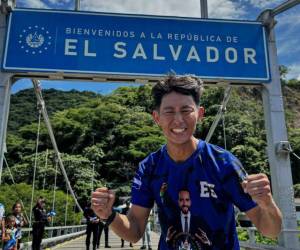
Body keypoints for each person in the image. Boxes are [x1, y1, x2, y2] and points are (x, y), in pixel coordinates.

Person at [91, 75, 282, 249]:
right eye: (169, 112)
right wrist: (109, 215)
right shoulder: (149, 167)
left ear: (199, 113)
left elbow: (270, 231)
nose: (178, 120)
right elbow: (134, 231)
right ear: (156, 117)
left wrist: (268, 203)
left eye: (186, 110)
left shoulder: (223, 163)